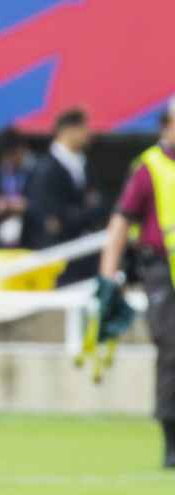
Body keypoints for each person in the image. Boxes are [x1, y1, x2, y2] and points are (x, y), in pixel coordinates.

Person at [99, 98, 175, 468]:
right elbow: (119, 225)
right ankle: (172, 440)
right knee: (172, 355)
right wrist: (107, 277)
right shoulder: (149, 167)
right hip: (163, 274)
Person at [26, 108, 107, 282]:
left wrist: (79, 214)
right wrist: (86, 212)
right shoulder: (46, 169)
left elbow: (99, 205)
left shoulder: (85, 164)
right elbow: (52, 219)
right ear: (68, 130)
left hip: (87, 254)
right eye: (84, 128)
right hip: (59, 259)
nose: (88, 134)